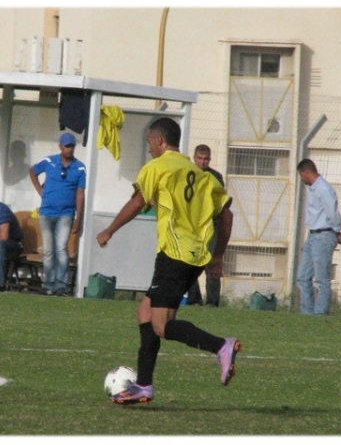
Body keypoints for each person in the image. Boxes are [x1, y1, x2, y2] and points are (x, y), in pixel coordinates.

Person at [96, 117, 240, 405]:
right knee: (145, 313)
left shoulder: (157, 167)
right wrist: (218, 255)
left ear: (160, 140)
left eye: (150, 142)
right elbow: (227, 216)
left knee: (161, 325)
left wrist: (109, 230)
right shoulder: (201, 174)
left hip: (174, 255)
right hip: (196, 256)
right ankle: (143, 386)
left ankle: (220, 346)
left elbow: (138, 202)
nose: (149, 148)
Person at [29, 133, 86, 296]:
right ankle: (48, 284)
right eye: (67, 146)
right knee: (48, 250)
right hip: (47, 211)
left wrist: (79, 218)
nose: (69, 149)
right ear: (60, 146)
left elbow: (80, 193)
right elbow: (32, 171)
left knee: (61, 248)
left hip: (66, 213)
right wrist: (40, 190)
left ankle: (61, 285)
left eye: (72, 146)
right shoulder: (49, 161)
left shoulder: (80, 167)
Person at [296, 159, 341, 315]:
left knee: (321, 280)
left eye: (301, 175)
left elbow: (332, 213)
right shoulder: (313, 189)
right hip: (312, 235)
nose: (301, 179)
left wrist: (335, 231)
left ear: (307, 172)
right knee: (303, 277)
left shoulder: (323, 189)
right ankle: (307, 313)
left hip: (323, 235)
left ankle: (320, 314)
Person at [186, 144, 225, 307]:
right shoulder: (188, 174)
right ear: (194, 158)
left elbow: (221, 202)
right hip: (192, 226)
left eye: (206, 159)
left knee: (212, 263)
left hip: (211, 225)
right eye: (200, 158)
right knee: (190, 262)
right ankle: (194, 300)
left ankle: (212, 302)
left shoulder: (216, 177)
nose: (203, 162)